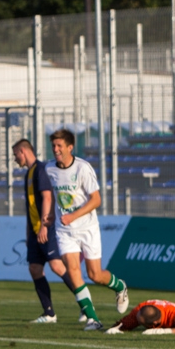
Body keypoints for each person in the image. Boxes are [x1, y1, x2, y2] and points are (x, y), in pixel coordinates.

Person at [45, 129, 129, 331]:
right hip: (64, 230)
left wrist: (73, 216)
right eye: (53, 146)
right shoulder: (49, 169)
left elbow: (97, 199)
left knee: (95, 274)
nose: (55, 149)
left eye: (59, 146)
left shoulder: (82, 168)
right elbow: (49, 195)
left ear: (70, 147)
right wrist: (48, 215)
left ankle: (120, 286)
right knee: (73, 272)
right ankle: (92, 319)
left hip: (87, 227)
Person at [12, 138, 76, 323]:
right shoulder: (29, 174)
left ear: (23, 151)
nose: (15, 158)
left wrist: (43, 227)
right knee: (35, 269)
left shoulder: (41, 170)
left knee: (57, 266)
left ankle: (85, 305)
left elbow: (48, 198)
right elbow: (31, 205)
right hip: (34, 231)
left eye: (16, 154)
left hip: (45, 228)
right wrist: (29, 231)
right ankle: (49, 313)